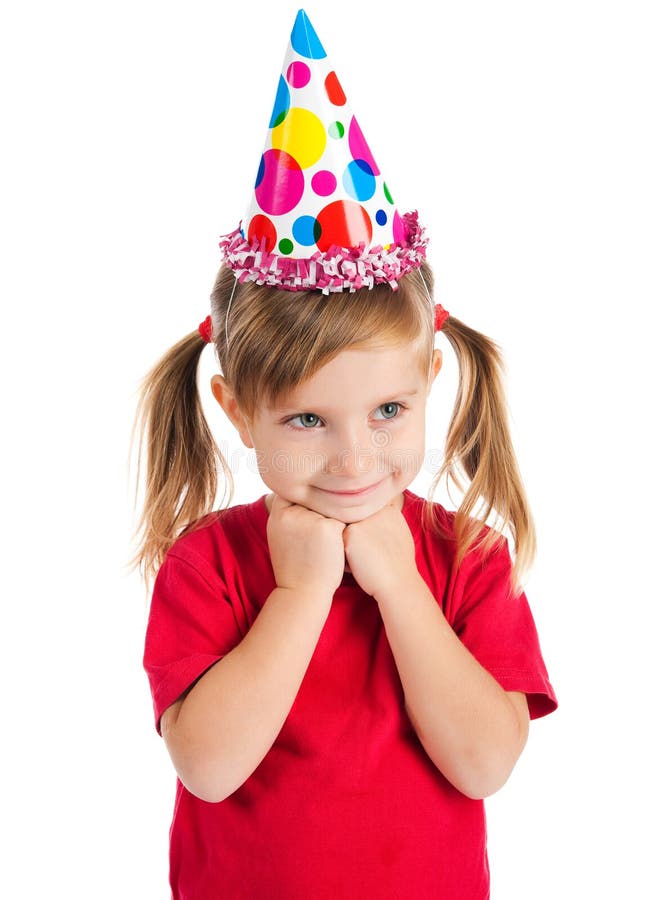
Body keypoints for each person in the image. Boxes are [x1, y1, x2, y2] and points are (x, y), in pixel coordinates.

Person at [131, 10, 558, 899]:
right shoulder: (208, 564)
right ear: (236, 410)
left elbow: (484, 764)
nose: (354, 457)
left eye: (389, 409)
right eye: (306, 421)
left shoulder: (466, 561)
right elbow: (206, 767)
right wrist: (299, 592)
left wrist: (399, 585)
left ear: (430, 380)